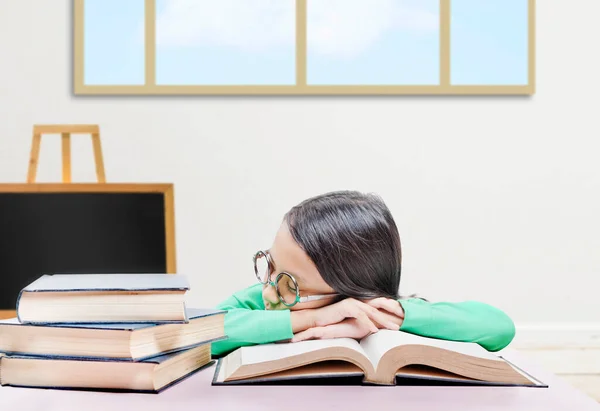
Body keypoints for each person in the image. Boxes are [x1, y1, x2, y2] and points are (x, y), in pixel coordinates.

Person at [211, 190, 515, 357]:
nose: (269, 289)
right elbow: (200, 334)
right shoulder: (259, 301)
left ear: (353, 295)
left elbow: (499, 327)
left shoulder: (382, 312)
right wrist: (311, 318)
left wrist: (395, 316)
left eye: (291, 284)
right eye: (270, 264)